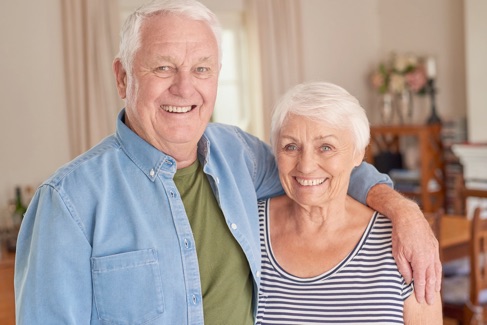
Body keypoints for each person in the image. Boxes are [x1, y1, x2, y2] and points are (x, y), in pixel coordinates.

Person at [14, 0, 440, 324]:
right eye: (163, 67)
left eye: (201, 69)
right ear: (123, 77)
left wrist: (405, 211)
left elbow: (322, 169)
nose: (184, 88)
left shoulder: (238, 155)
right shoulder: (68, 202)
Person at [256, 81, 442, 324]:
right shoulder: (246, 229)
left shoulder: (403, 241)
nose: (306, 165)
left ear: (358, 154)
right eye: (291, 146)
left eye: (326, 147)